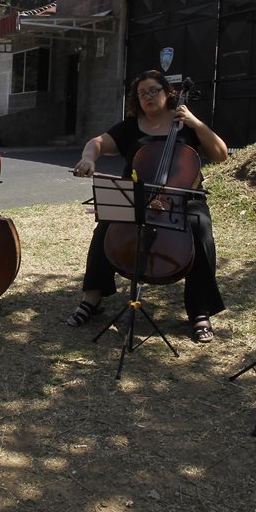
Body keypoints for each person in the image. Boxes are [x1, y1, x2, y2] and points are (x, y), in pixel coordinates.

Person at [69, 70, 229, 342]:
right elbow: (96, 143)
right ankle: (92, 298)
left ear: (168, 93)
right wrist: (88, 158)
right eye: (142, 93)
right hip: (139, 196)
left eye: (154, 90)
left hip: (183, 200)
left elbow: (221, 153)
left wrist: (196, 122)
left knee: (200, 229)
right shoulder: (132, 126)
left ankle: (199, 311)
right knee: (107, 222)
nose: (148, 97)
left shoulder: (185, 123)